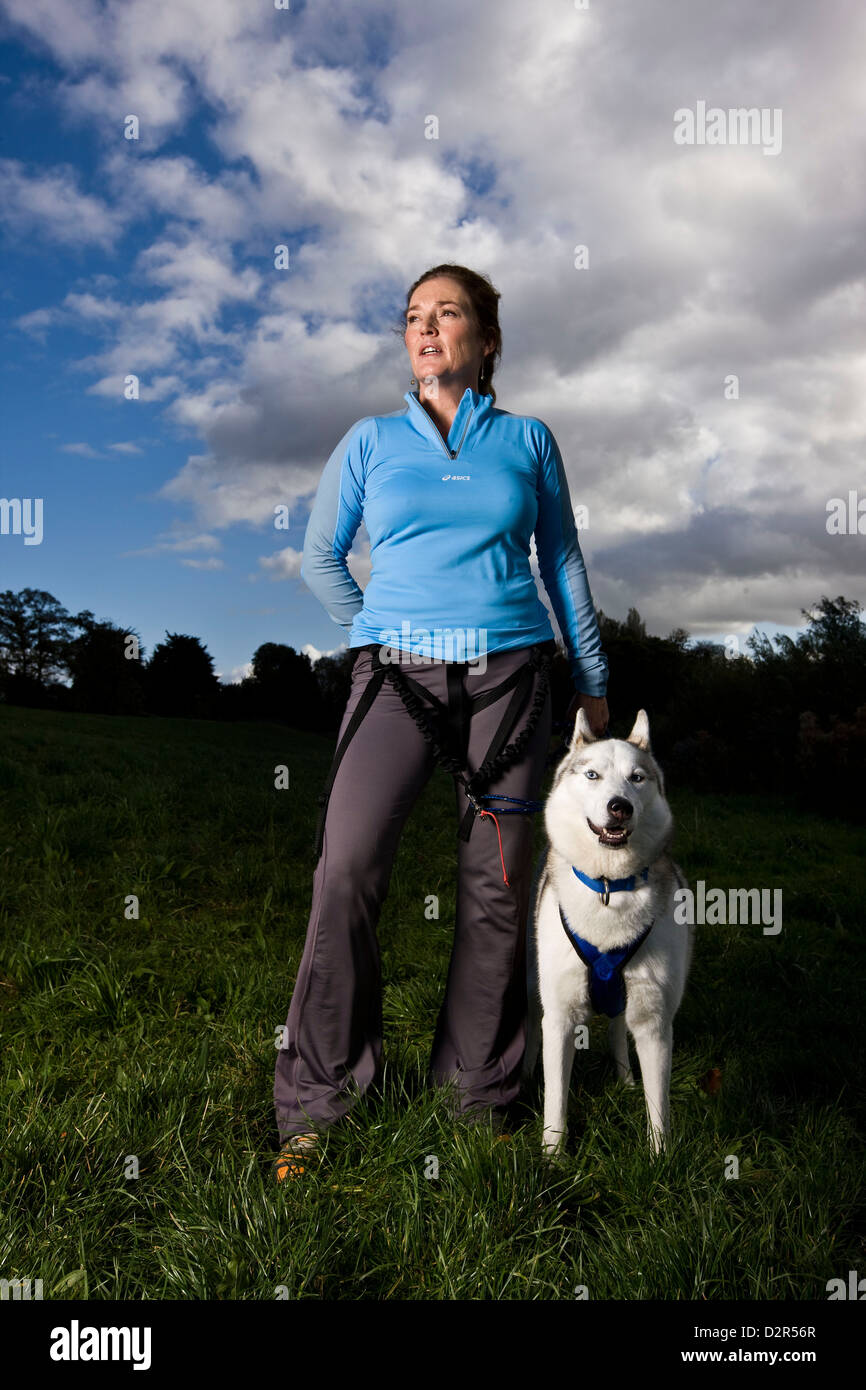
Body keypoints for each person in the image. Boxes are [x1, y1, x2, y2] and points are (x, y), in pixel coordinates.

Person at [273, 264, 609, 1180]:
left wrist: (594, 684)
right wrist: (379, 634)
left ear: (486, 339)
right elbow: (320, 557)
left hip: (513, 681)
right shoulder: (371, 442)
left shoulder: (529, 441)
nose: (426, 330)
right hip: (396, 678)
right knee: (345, 868)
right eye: (414, 318)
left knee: (496, 891)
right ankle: (318, 1099)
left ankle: (477, 1101)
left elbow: (566, 564)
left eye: (446, 314)